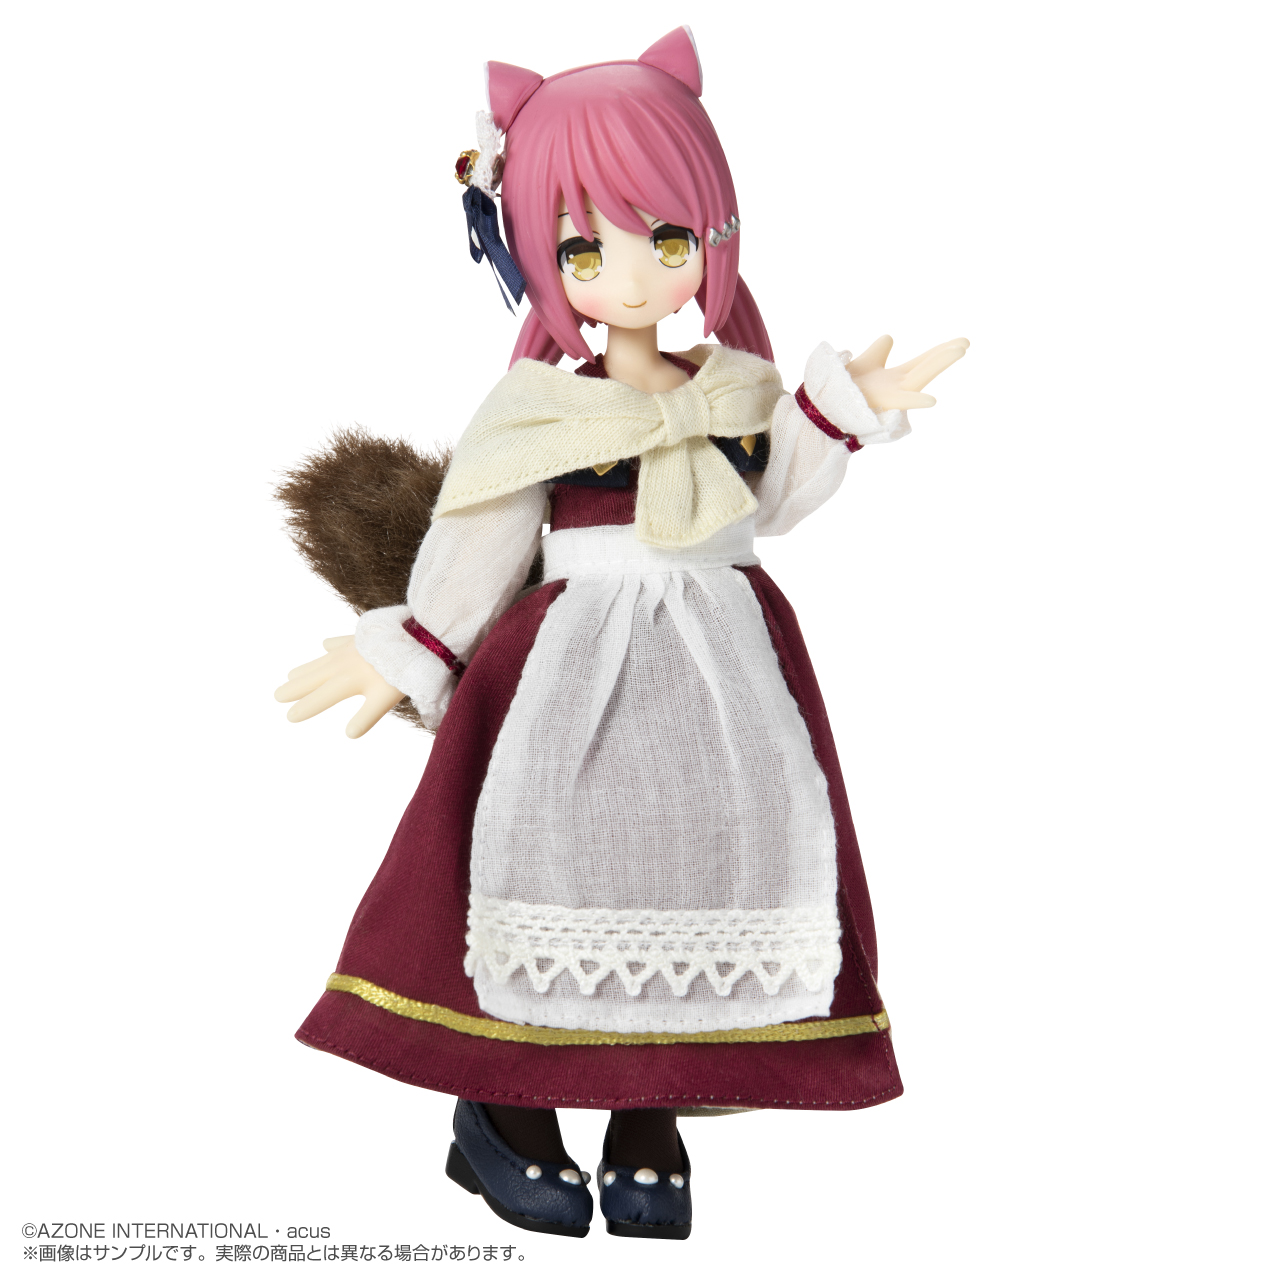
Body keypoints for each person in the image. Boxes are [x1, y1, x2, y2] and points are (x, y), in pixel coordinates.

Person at [276, 26, 967, 1240]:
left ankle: (650, 1111)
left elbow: (772, 497)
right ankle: (506, 1106)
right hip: (569, 665)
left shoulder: (735, 389)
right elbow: (481, 535)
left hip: (727, 674)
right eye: (584, 249)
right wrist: (406, 647)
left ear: (710, 235)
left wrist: (843, 413)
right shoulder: (537, 408)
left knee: (707, 861)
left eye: (665, 240)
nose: (632, 278)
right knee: (545, 857)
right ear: (542, 259)